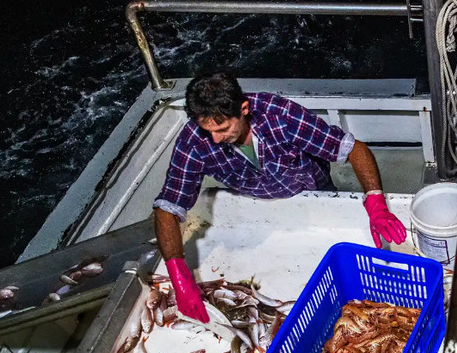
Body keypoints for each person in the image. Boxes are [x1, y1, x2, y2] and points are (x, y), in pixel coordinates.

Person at [152, 71, 407, 322]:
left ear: (244, 109)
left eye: (222, 128)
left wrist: (375, 201)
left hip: (313, 193)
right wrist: (178, 274)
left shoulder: (280, 115)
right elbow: (168, 206)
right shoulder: (194, 140)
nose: (215, 139)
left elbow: (353, 149)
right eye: (208, 131)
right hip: (257, 206)